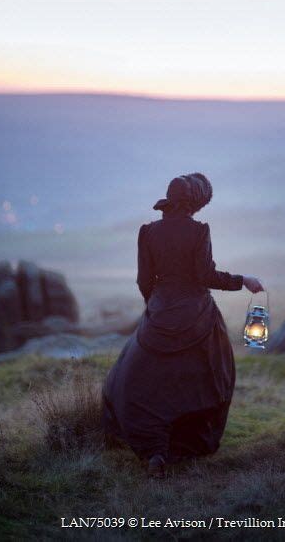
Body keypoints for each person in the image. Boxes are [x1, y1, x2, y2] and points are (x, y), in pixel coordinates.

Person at [102, 172, 264, 478]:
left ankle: (155, 452)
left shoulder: (148, 232)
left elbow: (143, 280)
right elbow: (205, 276)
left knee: (140, 381)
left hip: (159, 313)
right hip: (197, 317)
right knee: (210, 375)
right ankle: (187, 444)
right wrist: (243, 281)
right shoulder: (199, 231)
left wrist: (157, 306)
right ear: (195, 204)